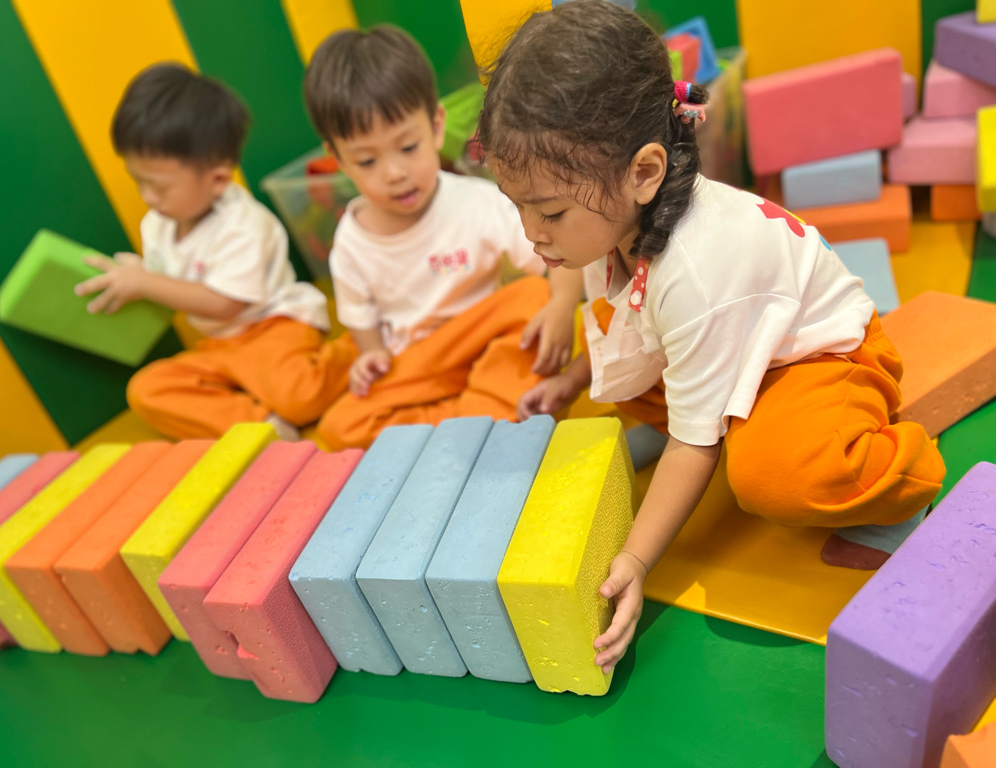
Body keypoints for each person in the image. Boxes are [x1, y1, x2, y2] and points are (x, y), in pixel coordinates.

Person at [477, 0, 945, 672]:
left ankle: (906, 474)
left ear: (643, 173)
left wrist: (637, 560)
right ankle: (676, 411)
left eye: (547, 211)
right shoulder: (610, 223)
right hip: (725, 341)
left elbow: (695, 447)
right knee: (616, 359)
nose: (531, 233)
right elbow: (624, 322)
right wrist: (575, 378)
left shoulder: (694, 274)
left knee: (769, 477)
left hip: (817, 357)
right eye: (516, 205)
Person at [302, 25, 582, 450]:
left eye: (407, 148)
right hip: (415, 366)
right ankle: (470, 422)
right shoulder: (351, 242)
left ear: (435, 127)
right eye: (367, 161)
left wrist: (561, 305)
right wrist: (371, 355)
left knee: (531, 298)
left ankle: (452, 427)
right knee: (339, 429)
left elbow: (556, 253)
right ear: (338, 159)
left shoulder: (476, 202)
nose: (394, 173)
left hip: (483, 344)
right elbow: (362, 323)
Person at [75, 63, 355, 441]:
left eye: (159, 187)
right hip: (218, 344)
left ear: (218, 179)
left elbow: (225, 304)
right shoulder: (157, 223)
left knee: (298, 397)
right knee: (147, 390)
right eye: (138, 181)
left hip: (272, 327)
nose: (147, 197)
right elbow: (172, 277)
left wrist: (145, 283)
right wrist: (139, 273)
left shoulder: (245, 224)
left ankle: (352, 352)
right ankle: (261, 425)